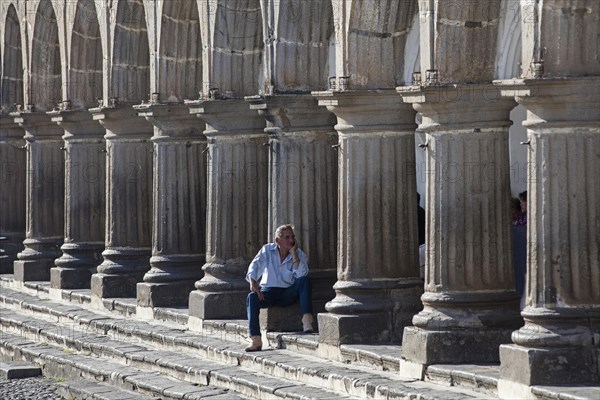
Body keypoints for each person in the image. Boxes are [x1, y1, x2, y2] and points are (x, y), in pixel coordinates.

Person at [244, 224, 313, 352]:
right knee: (251, 297)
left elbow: (302, 275)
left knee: (304, 281)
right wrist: (253, 282)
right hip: (268, 292)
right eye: (287, 237)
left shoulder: (299, 254)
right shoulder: (267, 250)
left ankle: (307, 321)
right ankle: (256, 339)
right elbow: (255, 265)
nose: (291, 240)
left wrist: (294, 255)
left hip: (287, 293)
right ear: (277, 240)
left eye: (292, 237)